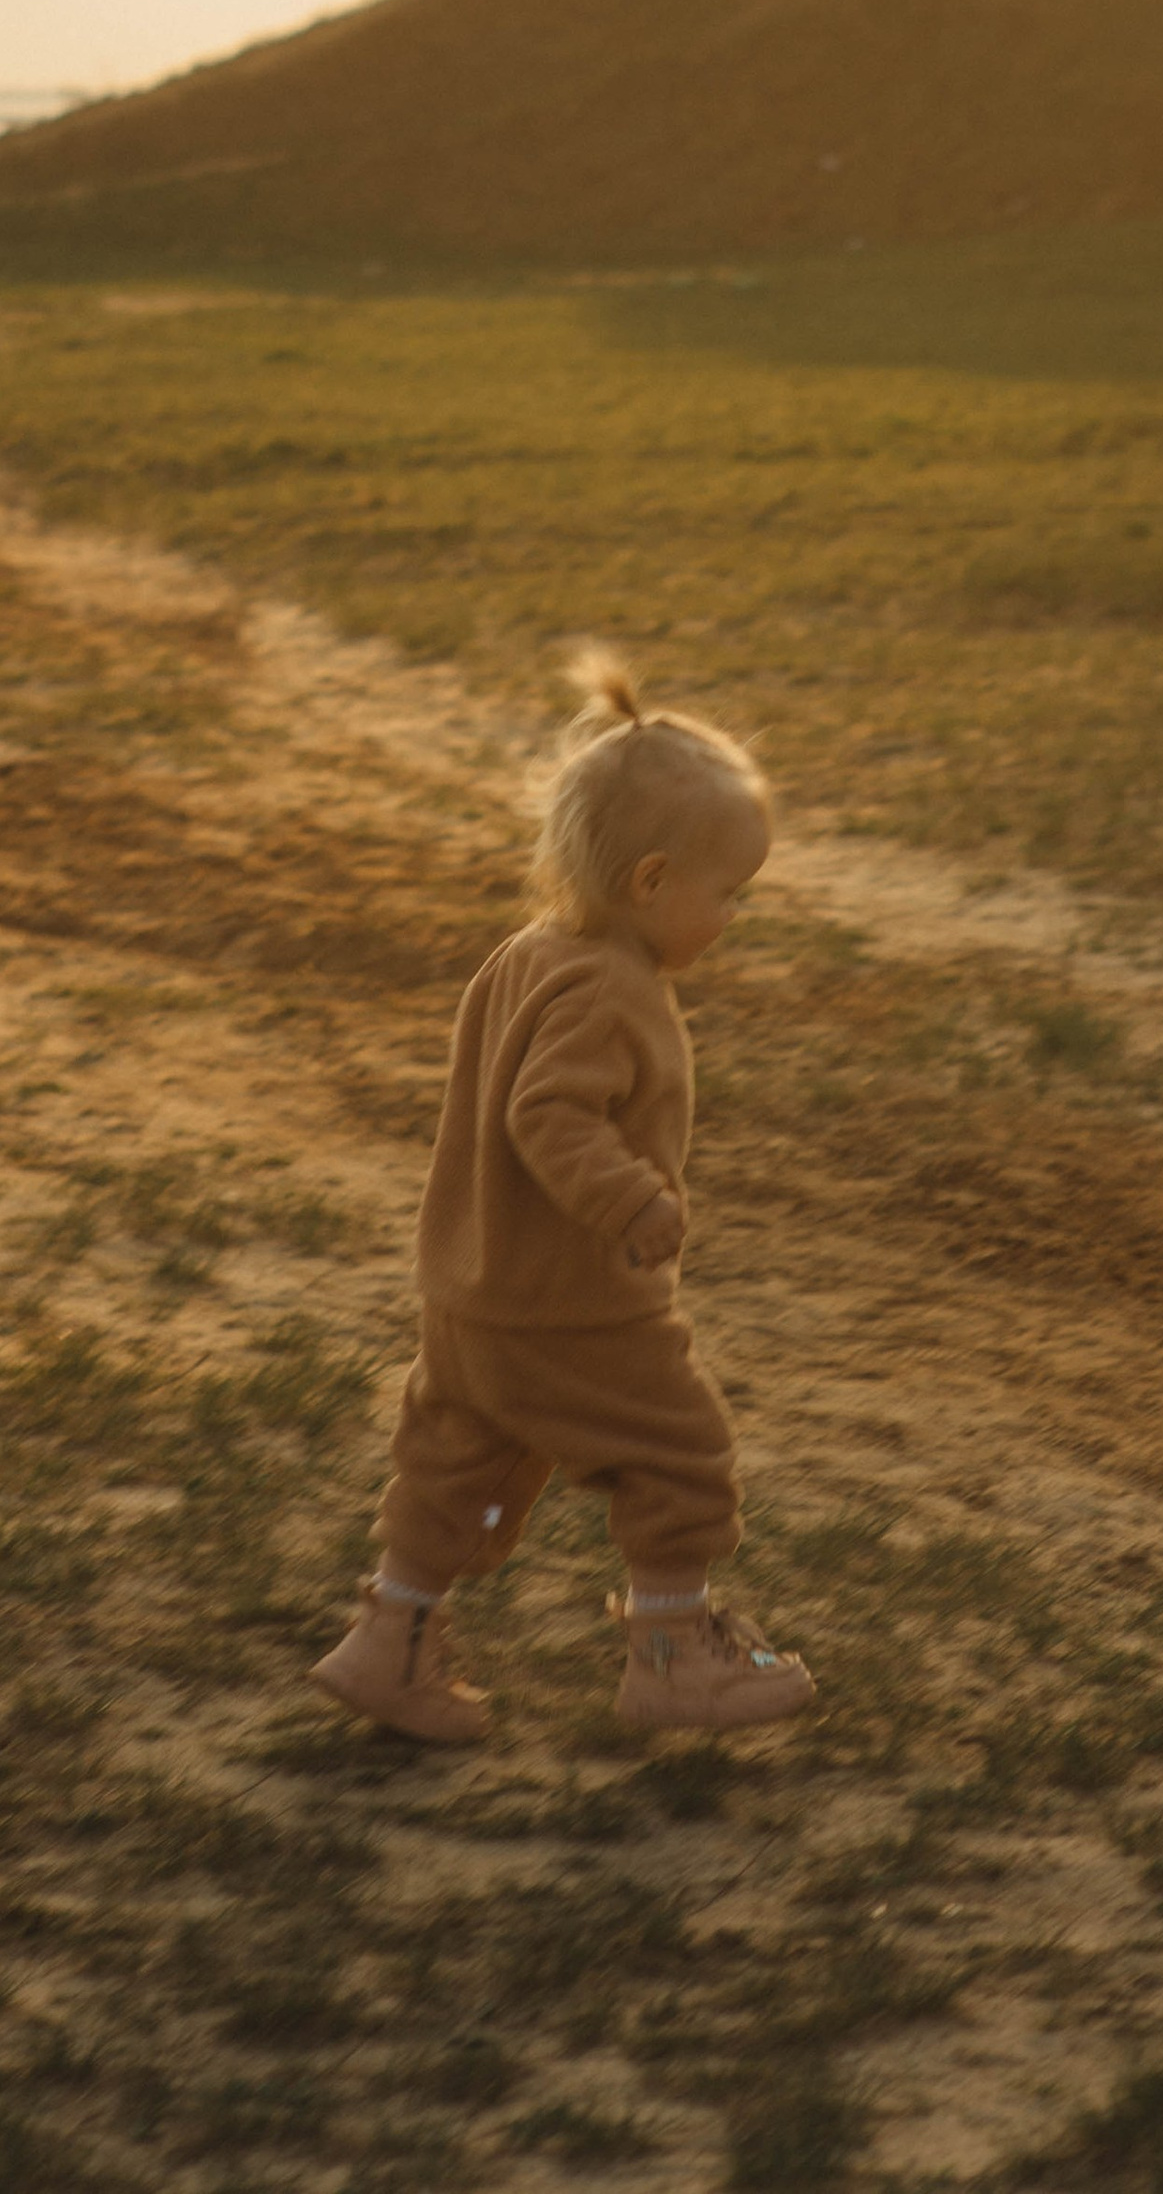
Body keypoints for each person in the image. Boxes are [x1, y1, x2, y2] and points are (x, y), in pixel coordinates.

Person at [309, 651, 816, 1743]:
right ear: (650, 882)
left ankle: (390, 1640)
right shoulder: (608, 987)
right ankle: (675, 1659)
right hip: (576, 1306)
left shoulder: (528, 955)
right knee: (679, 1452)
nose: (733, 915)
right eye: (728, 894)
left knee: (457, 1470)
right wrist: (629, 1200)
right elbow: (547, 1115)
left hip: (473, 1296)